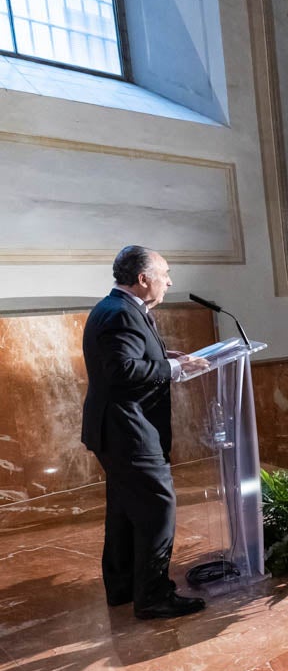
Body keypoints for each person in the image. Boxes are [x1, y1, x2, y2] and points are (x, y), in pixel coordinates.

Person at [81, 245, 209, 619]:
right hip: (127, 430)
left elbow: (129, 359)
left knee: (125, 509)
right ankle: (154, 596)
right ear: (142, 279)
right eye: (164, 273)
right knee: (158, 507)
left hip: (119, 428)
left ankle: (122, 588)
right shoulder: (120, 314)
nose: (169, 281)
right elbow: (121, 371)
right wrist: (173, 371)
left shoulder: (121, 308)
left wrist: (170, 358)